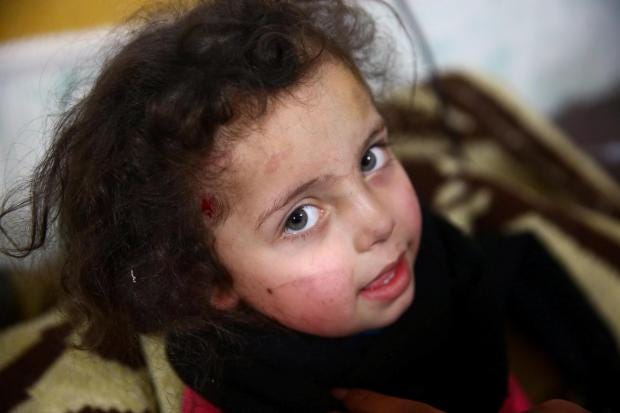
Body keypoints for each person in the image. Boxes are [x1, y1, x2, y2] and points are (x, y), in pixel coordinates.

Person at [0, 1, 593, 412]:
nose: (378, 220)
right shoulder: (242, 391)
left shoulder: (450, 266)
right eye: (300, 217)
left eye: (370, 157)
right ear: (210, 280)